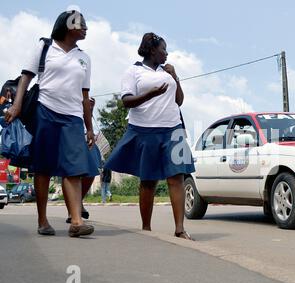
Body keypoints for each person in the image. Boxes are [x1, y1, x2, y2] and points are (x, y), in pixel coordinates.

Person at [5, 10, 97, 237]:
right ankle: (42, 220)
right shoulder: (44, 47)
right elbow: (26, 77)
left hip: (73, 118)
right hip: (45, 112)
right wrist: (16, 106)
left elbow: (85, 96)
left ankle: (76, 222)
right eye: (81, 24)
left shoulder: (84, 58)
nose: (85, 28)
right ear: (67, 26)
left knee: (74, 169)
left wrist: (89, 127)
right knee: (43, 168)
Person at [105, 32, 195, 240]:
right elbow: (127, 101)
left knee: (177, 177)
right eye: (164, 49)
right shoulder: (133, 71)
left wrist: (176, 77)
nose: (166, 53)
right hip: (144, 130)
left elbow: (179, 101)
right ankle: (146, 228)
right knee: (148, 180)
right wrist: (150, 94)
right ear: (153, 50)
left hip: (173, 129)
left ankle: (180, 229)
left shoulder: (168, 72)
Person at [66, 97, 101, 223]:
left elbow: (87, 117)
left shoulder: (86, 93)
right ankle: (72, 211)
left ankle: (78, 201)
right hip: (71, 133)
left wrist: (90, 108)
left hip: (87, 136)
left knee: (92, 171)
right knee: (71, 174)